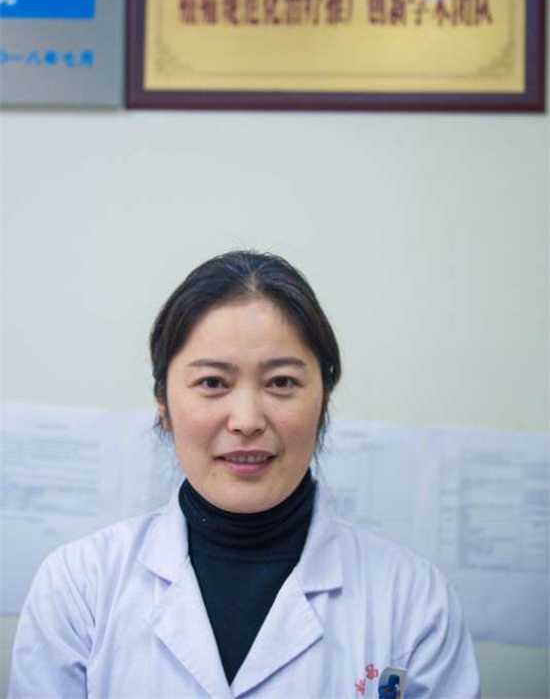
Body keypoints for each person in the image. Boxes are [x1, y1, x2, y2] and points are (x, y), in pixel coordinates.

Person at [8, 250, 480, 699]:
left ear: (323, 401)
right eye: (212, 382)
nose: (247, 420)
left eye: (282, 382)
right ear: (163, 405)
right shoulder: (80, 586)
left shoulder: (414, 600)